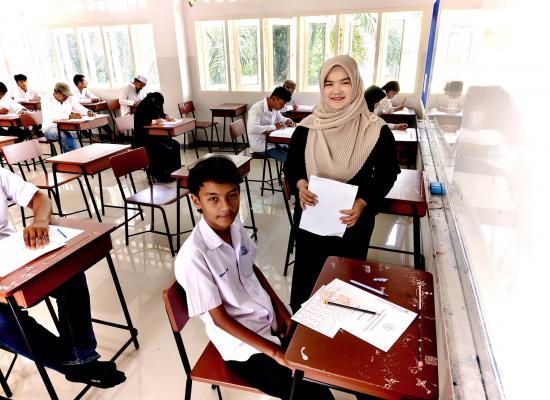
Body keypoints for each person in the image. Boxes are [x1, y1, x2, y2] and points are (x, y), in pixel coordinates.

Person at [174, 156, 334, 400]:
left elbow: (250, 268)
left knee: (328, 352)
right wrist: (276, 353)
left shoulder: (235, 226)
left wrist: (279, 307)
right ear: (196, 201)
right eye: (213, 199)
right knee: (313, 394)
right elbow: (220, 320)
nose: (226, 207)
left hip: (268, 320)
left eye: (232, 195)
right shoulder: (194, 256)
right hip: (244, 349)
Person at [283, 55, 400, 311]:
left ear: (356, 84)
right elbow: (292, 167)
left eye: (345, 82)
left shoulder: (375, 129)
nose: (336, 90)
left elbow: (387, 174)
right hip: (311, 221)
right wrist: (301, 185)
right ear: (321, 87)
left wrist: (363, 202)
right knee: (308, 290)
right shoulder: (307, 128)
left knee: (344, 292)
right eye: (329, 83)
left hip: (351, 225)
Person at [0, 167, 126, 388]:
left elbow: (39, 198)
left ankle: (80, 357)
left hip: (10, 256)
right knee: (3, 322)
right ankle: (76, 365)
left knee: (70, 276)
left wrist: (40, 221)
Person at [41, 82, 95, 153]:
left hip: (66, 126)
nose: (67, 97)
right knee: (65, 135)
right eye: (65, 95)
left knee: (82, 134)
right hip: (50, 128)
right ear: (57, 92)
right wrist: (69, 116)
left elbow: (78, 107)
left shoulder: (69, 98)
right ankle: (73, 156)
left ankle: (75, 154)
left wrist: (87, 112)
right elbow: (51, 116)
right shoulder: (46, 99)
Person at [247, 86, 294, 162]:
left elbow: (280, 118)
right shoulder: (257, 108)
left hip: (273, 141)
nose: (282, 107)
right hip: (261, 145)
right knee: (291, 160)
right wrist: (274, 127)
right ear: (274, 98)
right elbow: (252, 128)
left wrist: (287, 120)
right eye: (281, 104)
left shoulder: (274, 107)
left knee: (295, 151)